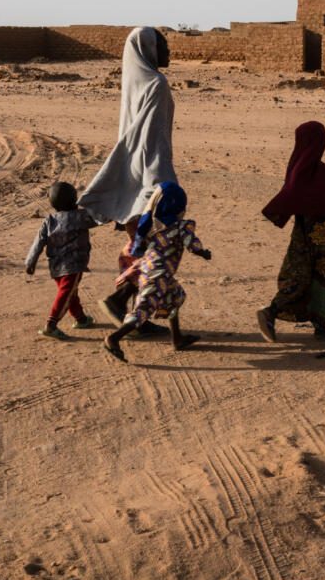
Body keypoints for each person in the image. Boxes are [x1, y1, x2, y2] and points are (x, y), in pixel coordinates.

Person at [79, 26, 175, 336]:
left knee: (142, 248)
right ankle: (120, 302)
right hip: (149, 176)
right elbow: (151, 141)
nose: (169, 52)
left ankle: (135, 315)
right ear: (148, 50)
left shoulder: (134, 83)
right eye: (163, 46)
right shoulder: (157, 84)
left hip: (130, 175)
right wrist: (161, 184)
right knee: (157, 251)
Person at [257, 121, 325, 342]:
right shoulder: (320, 171)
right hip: (321, 235)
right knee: (321, 279)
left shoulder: (297, 170)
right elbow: (318, 206)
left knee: (301, 275)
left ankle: (306, 321)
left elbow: (298, 199)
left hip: (301, 233)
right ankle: (278, 312)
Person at [105, 182, 212, 362]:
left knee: (176, 296)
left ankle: (177, 338)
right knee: (143, 310)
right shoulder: (181, 226)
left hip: (150, 271)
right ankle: (113, 338)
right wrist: (203, 252)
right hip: (158, 276)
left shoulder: (155, 227)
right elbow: (192, 244)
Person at [24, 181, 102, 339]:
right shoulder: (80, 216)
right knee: (66, 293)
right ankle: (51, 325)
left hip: (55, 266)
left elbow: (38, 242)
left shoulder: (49, 220)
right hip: (73, 265)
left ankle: (81, 319)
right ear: (74, 200)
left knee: (70, 293)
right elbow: (100, 218)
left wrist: (30, 261)